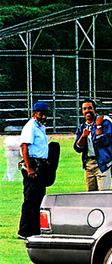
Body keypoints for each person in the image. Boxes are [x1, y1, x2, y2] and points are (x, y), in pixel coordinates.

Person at [18, 102, 59, 239]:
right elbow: (24, 146)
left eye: (45, 114)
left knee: (38, 200)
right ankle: (24, 231)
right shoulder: (30, 127)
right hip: (33, 166)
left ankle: (35, 230)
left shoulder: (40, 127)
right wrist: (29, 168)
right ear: (34, 114)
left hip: (40, 166)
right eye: (40, 114)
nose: (43, 117)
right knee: (30, 200)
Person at [74, 99, 112, 191]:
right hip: (89, 163)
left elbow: (104, 142)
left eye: (89, 108)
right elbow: (77, 148)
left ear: (94, 110)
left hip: (102, 163)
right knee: (90, 194)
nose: (87, 111)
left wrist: (99, 127)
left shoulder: (105, 123)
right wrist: (83, 136)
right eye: (84, 109)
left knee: (104, 193)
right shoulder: (82, 127)